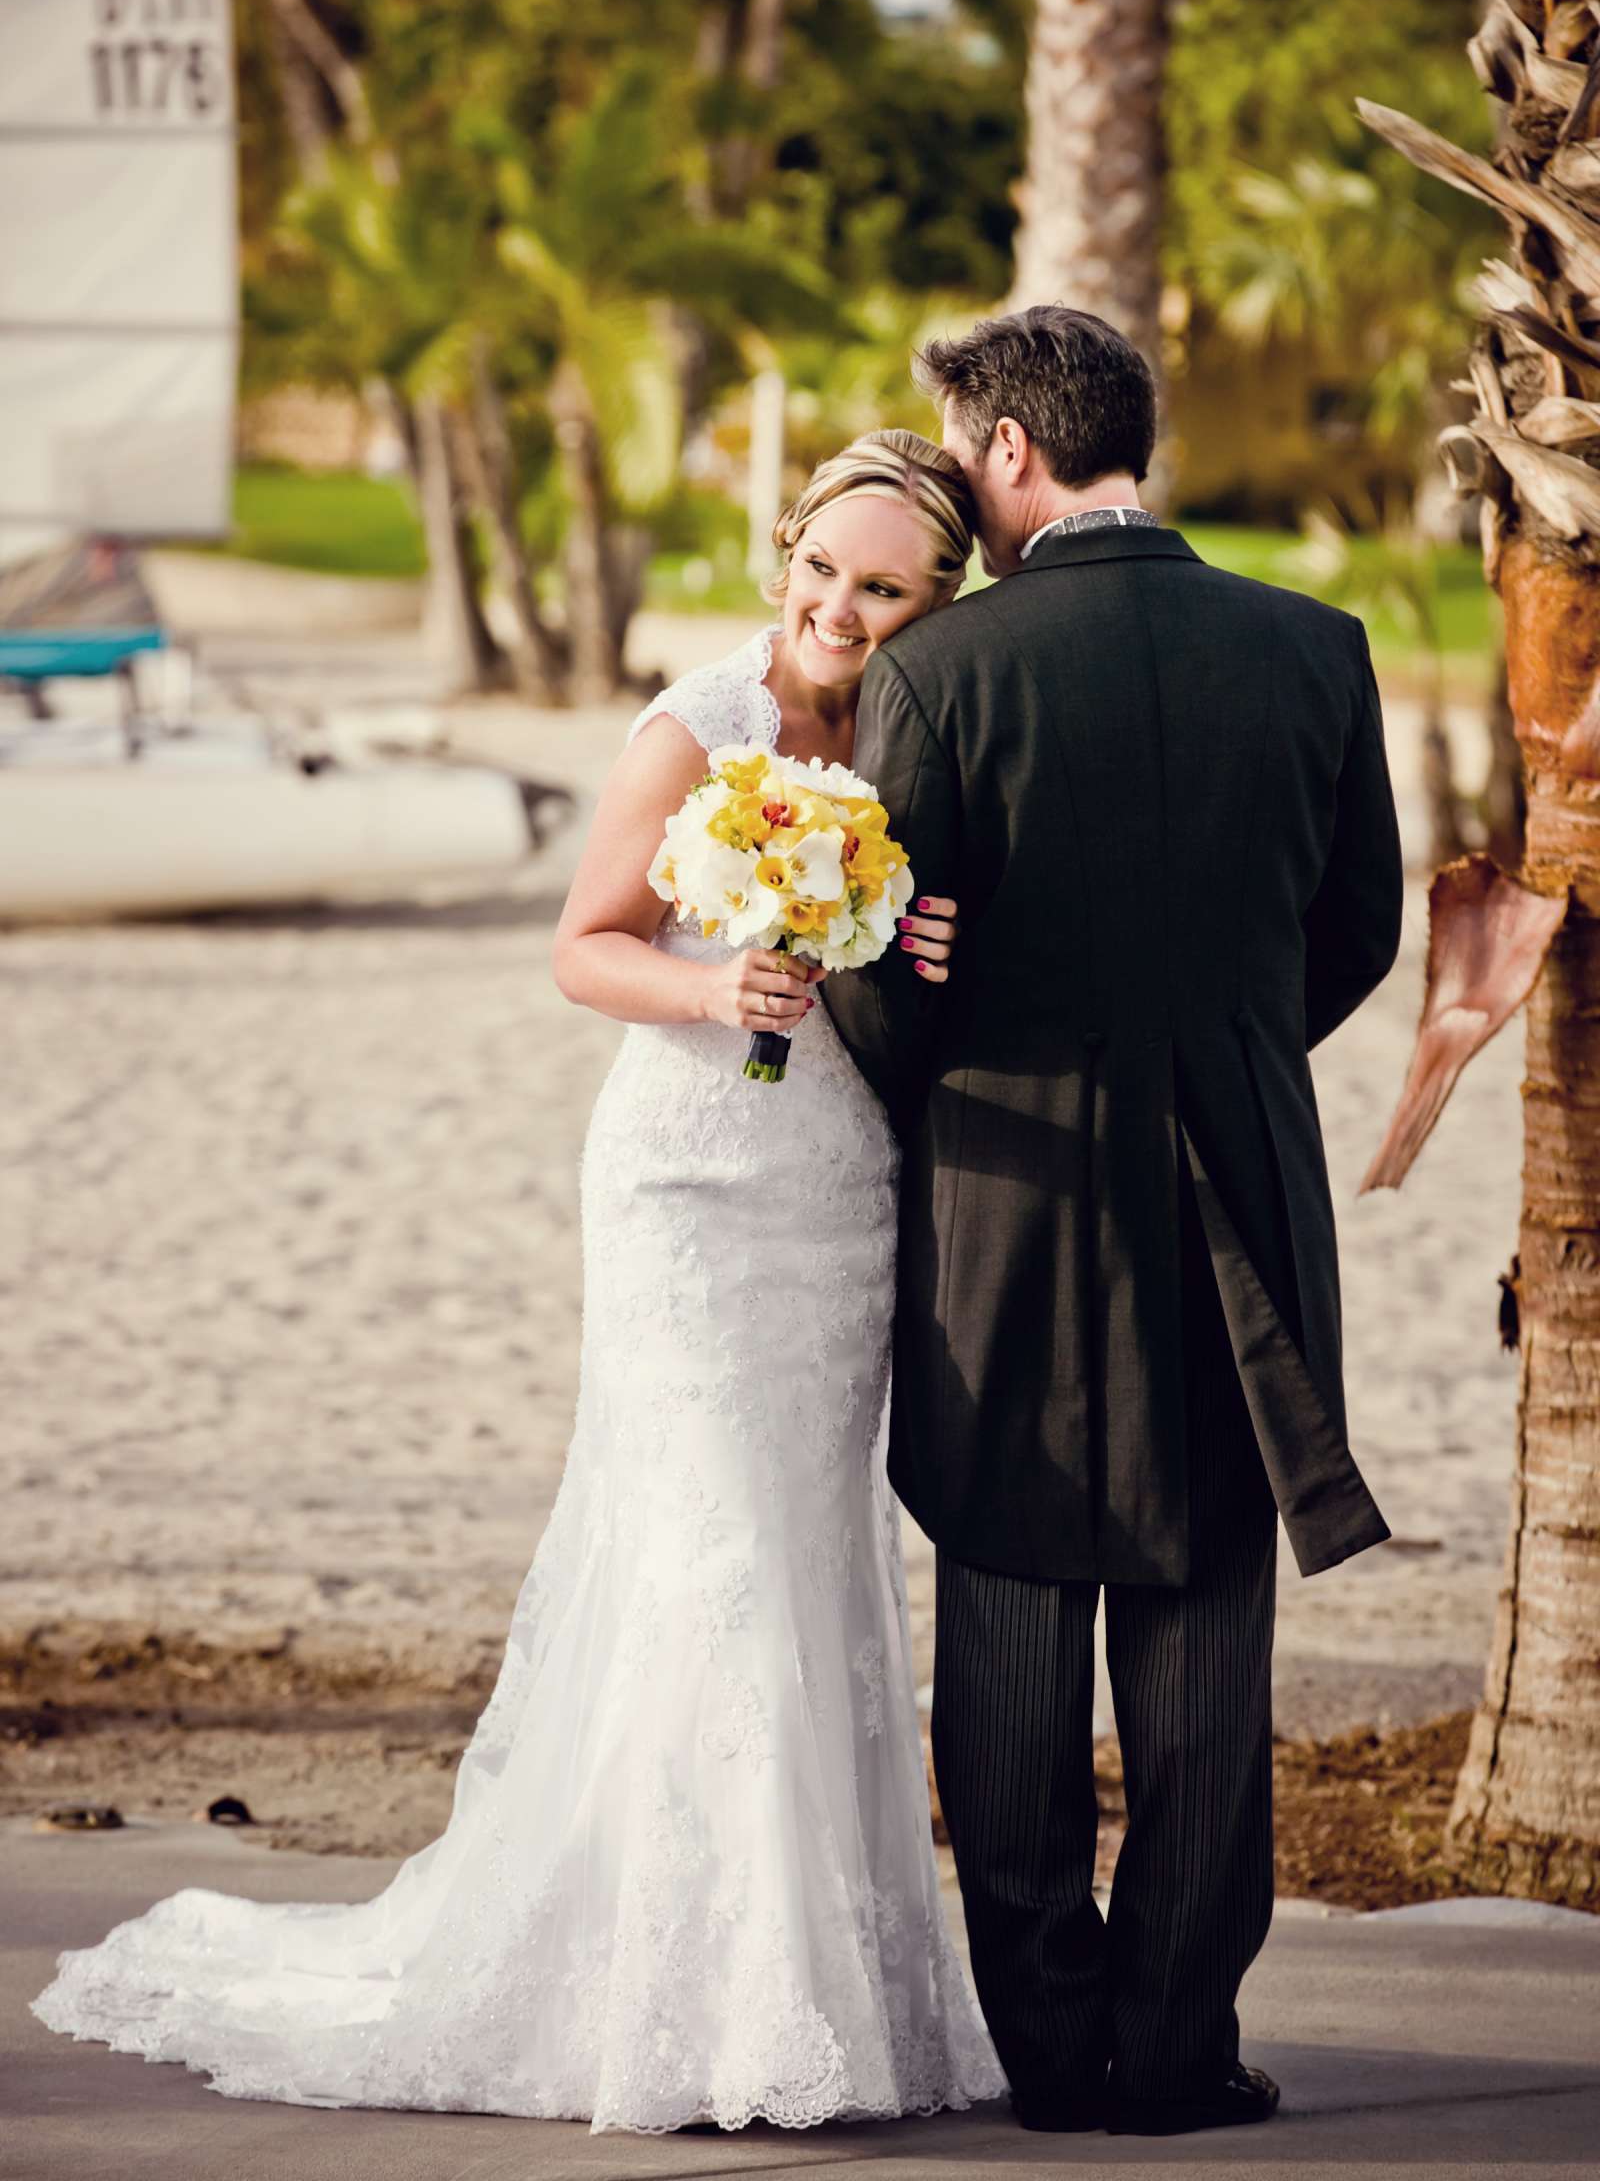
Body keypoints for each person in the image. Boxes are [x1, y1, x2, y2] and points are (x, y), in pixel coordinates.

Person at [30, 429, 1007, 2132]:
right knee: (713, 1554)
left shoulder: (923, 736)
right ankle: (695, 2000)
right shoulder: (694, 728)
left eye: (886, 587)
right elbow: (583, 946)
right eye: (824, 572)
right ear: (783, 554)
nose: (843, 608)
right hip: (692, 1185)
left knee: (805, 1558)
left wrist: (917, 935)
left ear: (938, 600)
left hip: (841, 1192)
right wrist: (717, 995)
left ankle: (817, 1991)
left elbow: (926, 950)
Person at [825, 307, 1404, 2139]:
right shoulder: (1317, 649)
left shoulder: (945, 677)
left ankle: (1053, 2054)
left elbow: (890, 978)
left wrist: (930, 1031)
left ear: (1006, 451)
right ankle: (1176, 2053)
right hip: (1242, 1192)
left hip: (1007, 1209)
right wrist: (1220, 1051)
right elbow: (1360, 929)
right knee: (1207, 1632)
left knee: (1007, 1620)